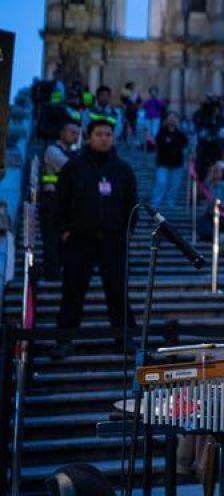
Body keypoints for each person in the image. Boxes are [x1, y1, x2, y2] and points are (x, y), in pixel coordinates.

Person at [53, 121, 139, 354]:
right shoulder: (74, 167)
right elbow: (60, 201)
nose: (104, 138)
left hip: (113, 240)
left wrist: (128, 231)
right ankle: (64, 340)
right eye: (99, 134)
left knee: (118, 291)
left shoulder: (123, 170)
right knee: (73, 291)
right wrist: (64, 231)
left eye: (108, 134)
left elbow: (132, 203)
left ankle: (124, 338)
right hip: (80, 239)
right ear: (89, 137)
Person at [38, 118, 79, 280]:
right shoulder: (52, 150)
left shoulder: (77, 153)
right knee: (51, 238)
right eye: (71, 132)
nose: (74, 136)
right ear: (61, 133)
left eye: (77, 133)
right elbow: (71, 168)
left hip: (67, 202)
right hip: (51, 200)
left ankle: (62, 270)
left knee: (66, 240)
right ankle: (52, 273)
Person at [151, 111, 189, 208]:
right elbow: (158, 142)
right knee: (161, 183)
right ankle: (155, 204)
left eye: (174, 118)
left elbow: (185, 144)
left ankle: (170, 205)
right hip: (162, 163)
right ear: (167, 119)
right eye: (170, 117)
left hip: (177, 164)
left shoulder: (180, 133)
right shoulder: (161, 132)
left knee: (173, 186)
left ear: (177, 120)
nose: (172, 120)